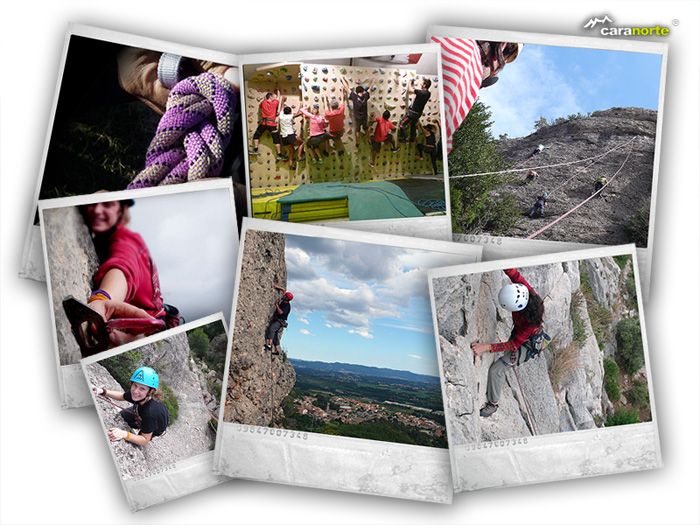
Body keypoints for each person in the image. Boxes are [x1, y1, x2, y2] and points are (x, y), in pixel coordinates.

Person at [81, 199, 169, 347]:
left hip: (145, 329)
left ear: (121, 211)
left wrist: (104, 298)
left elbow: (123, 265)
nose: (96, 210)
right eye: (92, 204)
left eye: (107, 205)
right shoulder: (128, 240)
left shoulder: (125, 240)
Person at [471, 268, 545, 418]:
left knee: (496, 370)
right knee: (504, 357)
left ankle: (493, 404)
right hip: (519, 333)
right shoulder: (525, 290)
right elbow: (514, 274)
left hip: (526, 345)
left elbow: (513, 346)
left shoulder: (530, 323)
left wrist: (485, 347)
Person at [93, 366, 169, 446]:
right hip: (141, 411)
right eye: (135, 385)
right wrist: (101, 391)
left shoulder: (150, 413)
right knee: (122, 416)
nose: (135, 391)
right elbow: (122, 396)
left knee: (136, 442)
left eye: (142, 389)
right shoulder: (141, 396)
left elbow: (145, 440)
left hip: (156, 426)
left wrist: (125, 434)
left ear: (151, 391)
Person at [251, 90, 284, 160]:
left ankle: (255, 149)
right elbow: (278, 97)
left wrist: (265, 98)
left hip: (263, 123)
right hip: (272, 124)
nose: (274, 97)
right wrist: (278, 90)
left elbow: (261, 105)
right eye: (273, 96)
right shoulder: (275, 103)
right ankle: (279, 155)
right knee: (276, 139)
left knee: (256, 135)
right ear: (271, 97)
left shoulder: (263, 102)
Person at [398, 78, 432, 144]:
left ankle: (404, 139)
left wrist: (410, 81)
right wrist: (413, 86)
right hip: (418, 114)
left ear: (424, 85)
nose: (421, 84)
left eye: (422, 83)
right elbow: (416, 92)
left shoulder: (421, 92)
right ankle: (412, 140)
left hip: (412, 113)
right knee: (413, 126)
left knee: (402, 124)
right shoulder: (428, 93)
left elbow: (410, 90)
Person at [264, 285, 293, 355]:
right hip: (279, 320)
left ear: (287, 299)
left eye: (285, 296)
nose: (284, 296)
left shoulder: (287, 306)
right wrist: (275, 286)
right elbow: (283, 290)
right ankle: (277, 350)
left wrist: (276, 305)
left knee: (272, 329)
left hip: (280, 321)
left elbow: (281, 312)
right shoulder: (285, 299)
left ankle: (269, 345)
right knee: (275, 336)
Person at [278, 105, 304, 170]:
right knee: (302, 143)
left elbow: (281, 108)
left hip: (283, 137)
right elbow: (299, 113)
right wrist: (300, 106)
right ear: (290, 112)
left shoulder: (281, 116)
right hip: (290, 135)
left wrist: (283, 101)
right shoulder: (290, 116)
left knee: (291, 151)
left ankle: (290, 165)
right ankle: (299, 157)